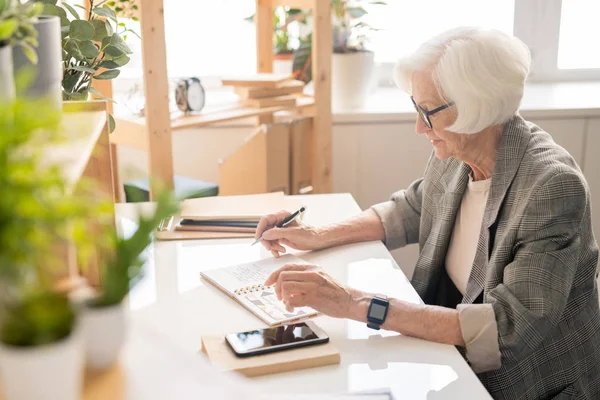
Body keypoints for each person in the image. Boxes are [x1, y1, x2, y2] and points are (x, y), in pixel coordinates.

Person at [255, 27, 600, 399]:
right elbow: (413, 207)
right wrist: (320, 234)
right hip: (450, 361)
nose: (420, 127)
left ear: (475, 107)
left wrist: (354, 303)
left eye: (428, 111)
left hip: (525, 386)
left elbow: (508, 328)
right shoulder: (459, 148)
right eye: (416, 107)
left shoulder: (552, 187)